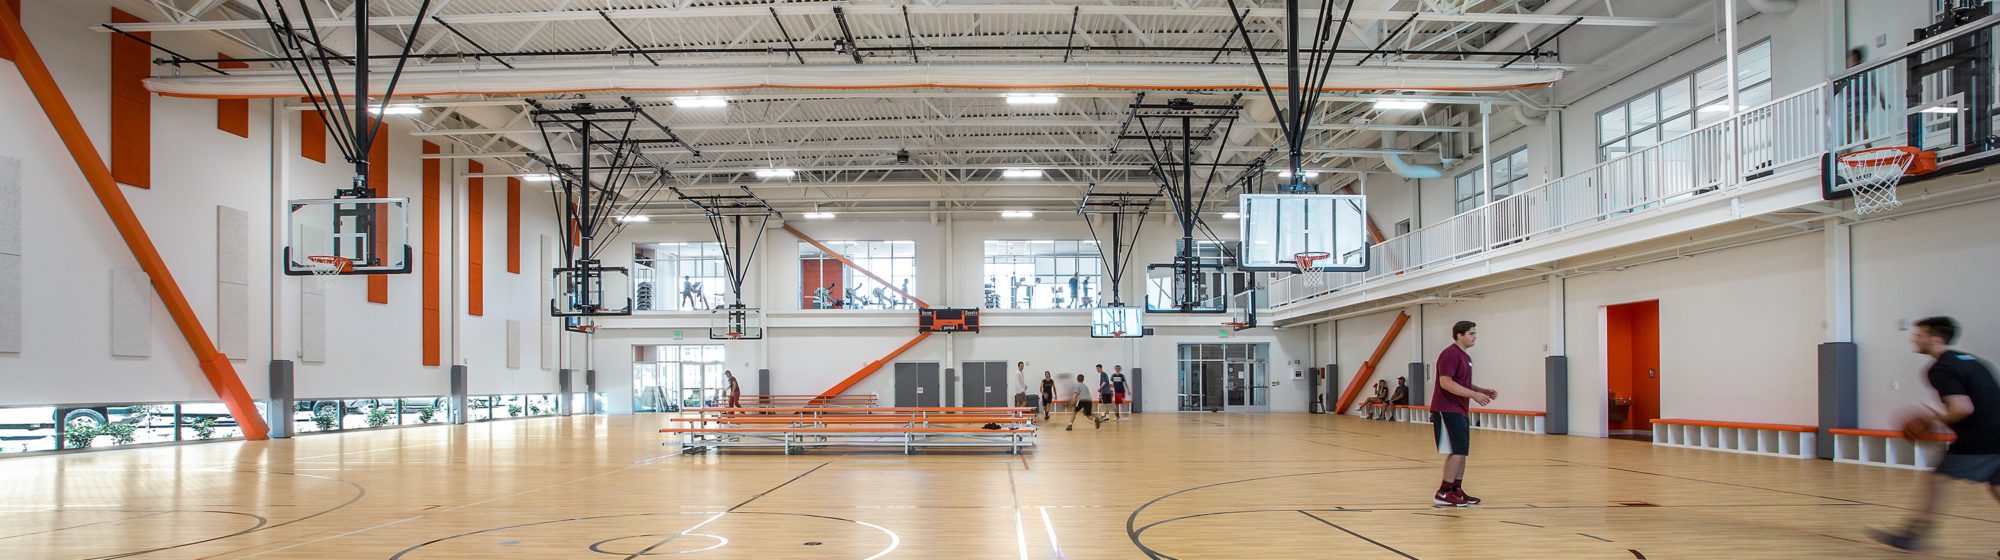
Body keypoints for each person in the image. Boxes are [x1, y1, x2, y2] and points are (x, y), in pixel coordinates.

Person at [1871, 317, 2000, 550]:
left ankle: (1913, 535)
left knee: (1938, 479)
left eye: (1919, 335)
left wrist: (1931, 418)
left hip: (1982, 437)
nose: (1914, 339)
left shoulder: (1941, 368)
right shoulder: (1971, 361)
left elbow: (1962, 408)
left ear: (1937, 339)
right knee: (1997, 487)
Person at [1431, 321, 1496, 508]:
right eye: (1470, 333)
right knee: (1456, 450)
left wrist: (1482, 390)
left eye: (1475, 333)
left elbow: (1463, 383)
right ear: (1459, 335)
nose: (1474, 336)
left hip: (1459, 409)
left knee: (1462, 451)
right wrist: (1474, 395)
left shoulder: (1464, 357)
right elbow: (1446, 382)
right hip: (1447, 408)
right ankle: (1443, 492)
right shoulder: (1450, 354)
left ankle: (1455, 490)